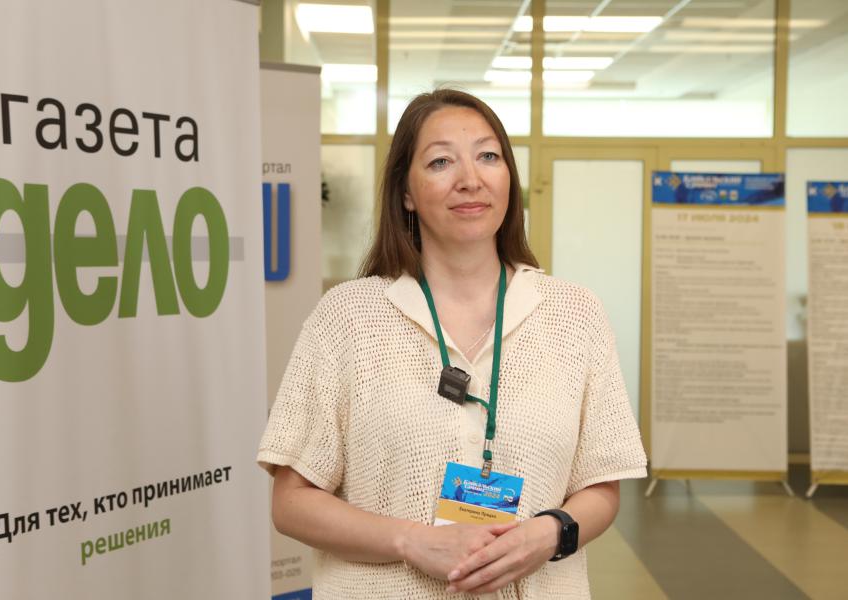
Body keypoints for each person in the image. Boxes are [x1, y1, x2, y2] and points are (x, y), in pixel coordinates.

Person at [257, 89, 647, 599]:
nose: (470, 179)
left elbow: (601, 486)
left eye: (488, 156)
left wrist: (548, 535)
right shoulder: (349, 318)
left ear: (509, 179)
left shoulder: (574, 315)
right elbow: (291, 503)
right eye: (441, 161)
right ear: (406, 193)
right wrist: (410, 541)